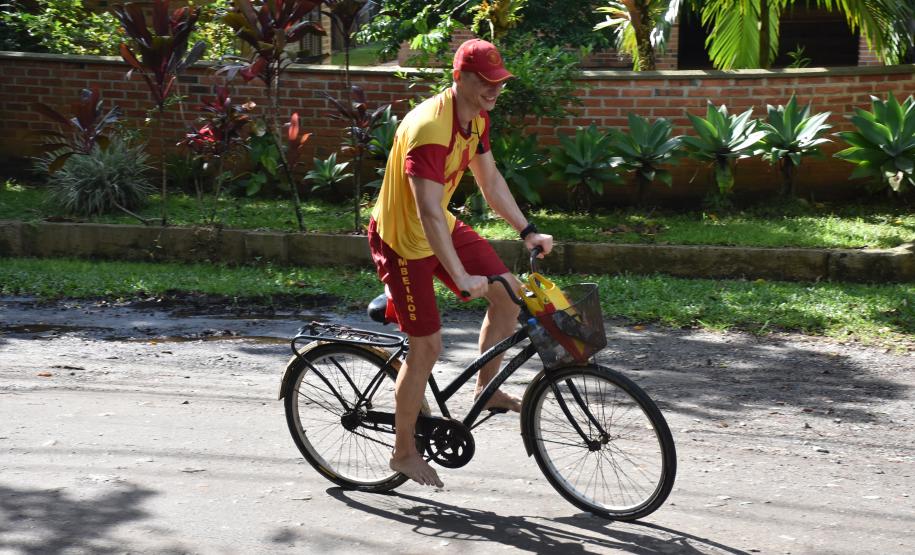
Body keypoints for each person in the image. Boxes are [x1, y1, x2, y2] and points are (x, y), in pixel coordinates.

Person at [367, 38, 553, 488]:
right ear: (461, 78)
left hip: (437, 229)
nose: (494, 90)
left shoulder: (475, 119)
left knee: (509, 294)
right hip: (402, 243)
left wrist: (527, 230)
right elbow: (427, 212)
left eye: (498, 81)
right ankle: (403, 452)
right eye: (485, 82)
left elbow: (489, 180)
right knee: (427, 348)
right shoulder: (430, 129)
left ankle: (485, 391)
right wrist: (462, 276)